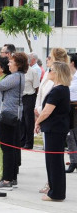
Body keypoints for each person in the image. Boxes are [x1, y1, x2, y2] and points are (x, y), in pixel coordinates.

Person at [0, 52, 28, 189]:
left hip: (7, 116)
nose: (8, 63)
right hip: (9, 115)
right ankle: (11, 177)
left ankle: (8, 179)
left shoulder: (15, 77)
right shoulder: (17, 76)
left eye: (11, 61)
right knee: (11, 148)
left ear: (18, 64)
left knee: (7, 148)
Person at [35, 61, 72, 201]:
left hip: (55, 128)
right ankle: (54, 189)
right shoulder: (59, 88)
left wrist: (37, 122)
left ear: (57, 73)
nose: (48, 72)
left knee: (54, 161)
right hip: (54, 127)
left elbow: (46, 111)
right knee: (52, 160)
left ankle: (56, 193)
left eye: (51, 70)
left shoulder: (59, 90)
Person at [21, 54, 41, 149]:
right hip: (20, 97)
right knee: (21, 120)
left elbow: (37, 87)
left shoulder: (33, 71)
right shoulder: (19, 72)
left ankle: (29, 143)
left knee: (28, 121)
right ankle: (22, 141)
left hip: (30, 96)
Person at [66, 54, 77, 173]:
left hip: (74, 109)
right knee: (71, 137)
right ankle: (74, 161)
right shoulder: (72, 77)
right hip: (71, 109)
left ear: (72, 63)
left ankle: (74, 161)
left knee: (71, 137)